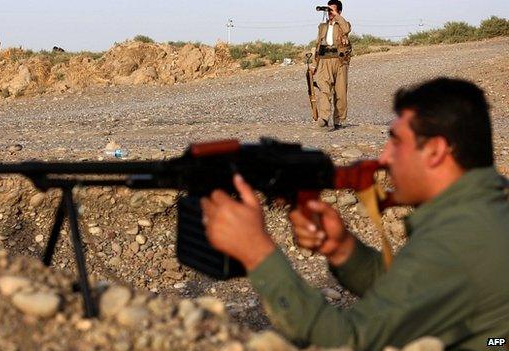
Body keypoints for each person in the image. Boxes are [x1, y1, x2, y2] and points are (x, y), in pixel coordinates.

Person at [201, 77, 509, 350]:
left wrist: (257, 252)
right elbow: (412, 292)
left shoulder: (459, 237)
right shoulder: (486, 210)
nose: (385, 156)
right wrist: (343, 250)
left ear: (436, 151)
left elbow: (343, 342)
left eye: (397, 140)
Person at [311, 0, 351, 130]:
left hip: (340, 62)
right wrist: (314, 64)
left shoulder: (343, 25)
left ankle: (339, 120)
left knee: (340, 92)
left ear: (339, 11)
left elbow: (347, 29)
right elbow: (318, 45)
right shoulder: (322, 26)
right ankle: (323, 117)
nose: (330, 13)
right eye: (328, 10)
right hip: (324, 61)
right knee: (324, 89)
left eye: (332, 10)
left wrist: (337, 16)